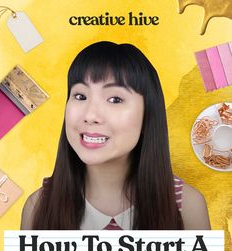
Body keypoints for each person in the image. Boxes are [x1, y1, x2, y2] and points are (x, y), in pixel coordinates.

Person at [21, 41, 211, 230]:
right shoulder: (37, 208)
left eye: (115, 99)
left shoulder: (188, 208)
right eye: (80, 96)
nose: (90, 116)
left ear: (147, 116)